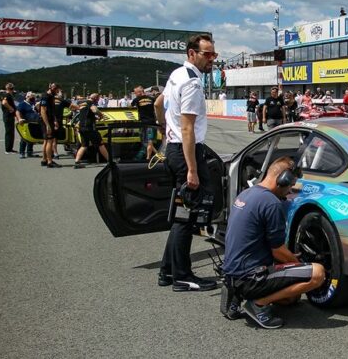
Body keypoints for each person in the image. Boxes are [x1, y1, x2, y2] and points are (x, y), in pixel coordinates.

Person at [222, 157, 325, 328]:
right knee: (317, 273)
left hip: (232, 274)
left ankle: (236, 295)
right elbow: (277, 250)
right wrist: (298, 263)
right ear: (283, 180)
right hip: (251, 278)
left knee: (291, 298)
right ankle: (258, 304)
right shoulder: (271, 203)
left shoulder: (246, 194)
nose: (290, 190)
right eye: (291, 185)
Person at [153, 34, 219, 292]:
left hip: (174, 149)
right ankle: (182, 276)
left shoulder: (176, 74)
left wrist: (163, 128)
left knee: (181, 215)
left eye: (214, 54)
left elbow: (158, 103)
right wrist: (192, 169)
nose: (212, 59)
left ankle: (167, 271)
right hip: (186, 151)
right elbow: (188, 128)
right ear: (192, 53)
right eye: (207, 54)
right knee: (187, 217)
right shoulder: (192, 83)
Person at [73, 93, 109, 168]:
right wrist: (101, 115)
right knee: (100, 143)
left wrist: (95, 118)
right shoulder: (90, 103)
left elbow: (86, 115)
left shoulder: (83, 104)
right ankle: (109, 161)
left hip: (81, 127)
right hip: (89, 128)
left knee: (84, 145)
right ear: (95, 98)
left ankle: (76, 162)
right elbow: (95, 110)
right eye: (98, 99)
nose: (98, 101)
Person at [132, 85, 158, 160]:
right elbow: (156, 109)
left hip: (142, 123)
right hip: (152, 122)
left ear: (140, 92)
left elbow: (130, 107)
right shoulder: (152, 99)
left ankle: (148, 157)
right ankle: (155, 156)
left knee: (146, 141)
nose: (135, 94)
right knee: (150, 141)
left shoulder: (136, 100)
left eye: (135, 93)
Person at [39, 83, 62, 168]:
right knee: (49, 140)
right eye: (57, 90)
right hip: (46, 121)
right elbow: (43, 111)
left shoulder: (51, 97)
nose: (57, 92)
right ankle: (49, 161)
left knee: (46, 141)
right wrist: (47, 124)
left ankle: (44, 159)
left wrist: (55, 120)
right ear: (53, 88)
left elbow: (52, 110)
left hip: (50, 120)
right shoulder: (46, 96)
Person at [15, 91, 38, 158]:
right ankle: (22, 152)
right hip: (26, 123)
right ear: (27, 97)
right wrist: (19, 119)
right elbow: (17, 111)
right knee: (24, 138)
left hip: (33, 123)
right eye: (32, 97)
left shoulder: (33, 103)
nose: (33, 98)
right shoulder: (22, 104)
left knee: (31, 137)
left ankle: (29, 152)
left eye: (33, 97)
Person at [0, 82, 16, 154]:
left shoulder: (8, 95)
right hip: (8, 116)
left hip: (10, 116)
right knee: (9, 132)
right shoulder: (7, 95)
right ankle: (8, 149)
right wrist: (11, 108)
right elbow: (4, 102)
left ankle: (10, 148)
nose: (12, 90)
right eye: (12, 88)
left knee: (11, 132)